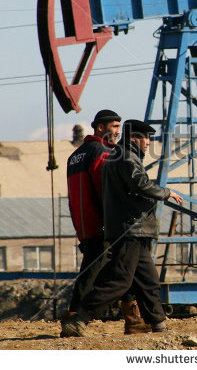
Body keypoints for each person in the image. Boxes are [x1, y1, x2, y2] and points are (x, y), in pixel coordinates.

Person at [61, 119, 183, 337]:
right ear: (134, 138)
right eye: (146, 138)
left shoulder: (117, 156)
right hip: (131, 229)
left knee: (148, 281)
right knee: (119, 280)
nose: (149, 142)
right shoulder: (126, 157)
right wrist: (166, 193)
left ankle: (158, 323)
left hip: (134, 228)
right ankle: (80, 318)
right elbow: (140, 183)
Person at [64, 110, 148, 335]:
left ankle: (133, 319)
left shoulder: (76, 155)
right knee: (97, 271)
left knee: (120, 268)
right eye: (114, 127)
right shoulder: (104, 152)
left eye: (119, 127)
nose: (118, 132)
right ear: (100, 128)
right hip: (103, 223)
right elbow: (108, 189)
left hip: (84, 222)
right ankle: (74, 318)